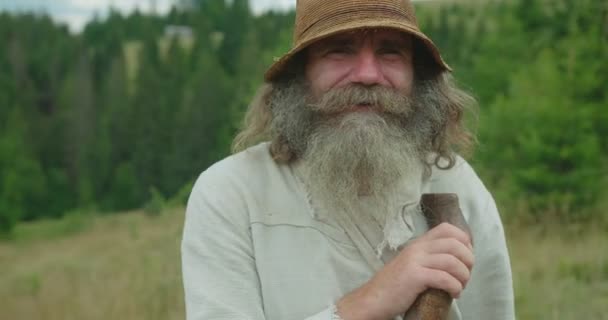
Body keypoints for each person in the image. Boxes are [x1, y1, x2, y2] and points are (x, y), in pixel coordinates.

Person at [181, 0, 515, 319]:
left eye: (390, 52)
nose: (368, 74)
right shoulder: (232, 193)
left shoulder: (457, 184)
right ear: (300, 74)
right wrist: (369, 302)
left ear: (418, 75)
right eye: (339, 50)